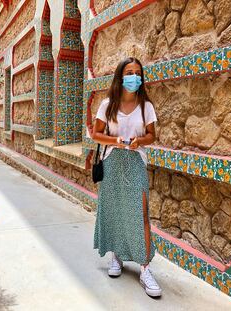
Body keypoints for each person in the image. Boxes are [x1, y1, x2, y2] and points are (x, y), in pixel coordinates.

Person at [92, 57, 161, 297]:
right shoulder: (107, 104)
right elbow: (96, 134)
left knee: (140, 214)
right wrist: (116, 141)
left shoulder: (146, 106)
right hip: (112, 162)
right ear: (121, 76)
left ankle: (145, 268)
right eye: (129, 72)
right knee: (114, 210)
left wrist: (140, 141)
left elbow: (152, 135)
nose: (134, 77)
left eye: (138, 73)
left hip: (136, 163)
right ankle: (117, 256)